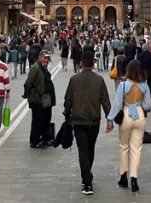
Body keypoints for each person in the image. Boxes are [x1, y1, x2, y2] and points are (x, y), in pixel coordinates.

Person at [64, 51, 110, 195]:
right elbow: (105, 101)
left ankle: (87, 181)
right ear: (93, 63)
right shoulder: (99, 80)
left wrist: (67, 115)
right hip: (94, 120)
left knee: (83, 150)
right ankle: (87, 176)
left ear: (82, 63)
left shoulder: (74, 79)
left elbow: (68, 100)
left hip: (78, 120)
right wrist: (110, 118)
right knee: (90, 148)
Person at [107, 60, 151, 193]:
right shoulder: (144, 86)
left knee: (124, 147)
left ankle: (123, 176)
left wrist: (110, 119)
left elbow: (116, 104)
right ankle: (134, 178)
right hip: (139, 116)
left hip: (126, 114)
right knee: (136, 149)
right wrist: (141, 106)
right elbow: (148, 105)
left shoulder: (123, 85)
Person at [24, 51, 55, 148]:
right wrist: (28, 95)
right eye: (45, 58)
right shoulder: (35, 68)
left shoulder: (43, 68)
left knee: (46, 119)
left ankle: (45, 138)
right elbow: (28, 83)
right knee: (38, 120)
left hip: (46, 99)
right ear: (40, 57)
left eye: (47, 58)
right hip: (37, 99)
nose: (46, 60)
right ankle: (35, 140)